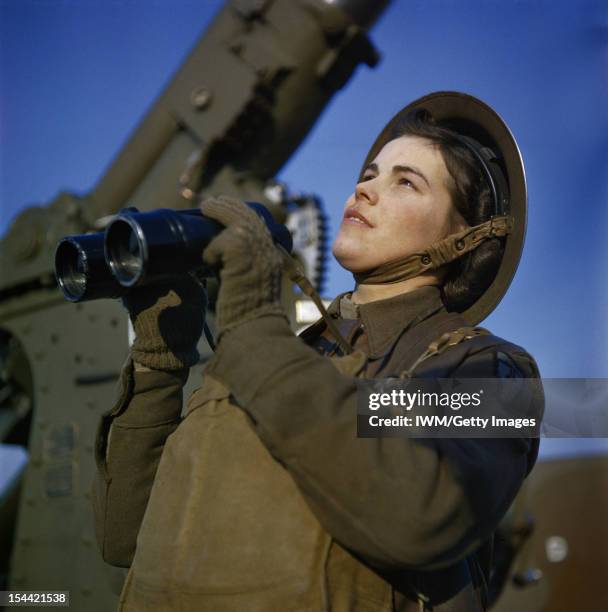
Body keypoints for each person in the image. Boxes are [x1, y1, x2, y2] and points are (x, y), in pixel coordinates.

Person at [92, 92, 543, 612]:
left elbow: (421, 511)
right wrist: (158, 360)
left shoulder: (487, 371)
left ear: (466, 238)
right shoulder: (277, 352)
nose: (365, 189)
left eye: (405, 182)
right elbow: (125, 535)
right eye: (370, 174)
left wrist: (255, 332)